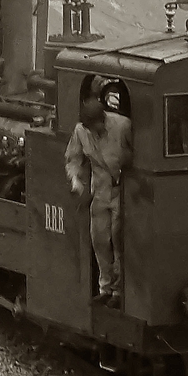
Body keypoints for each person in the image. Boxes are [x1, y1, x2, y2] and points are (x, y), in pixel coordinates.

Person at [64, 96, 132, 307]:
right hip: (100, 190)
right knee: (99, 238)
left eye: (97, 126)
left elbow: (137, 153)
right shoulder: (81, 132)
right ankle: (105, 287)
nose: (95, 131)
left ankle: (119, 291)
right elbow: (73, 158)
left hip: (121, 189)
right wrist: (75, 178)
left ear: (103, 119)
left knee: (118, 237)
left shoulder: (122, 126)